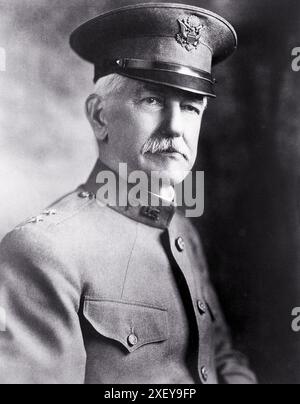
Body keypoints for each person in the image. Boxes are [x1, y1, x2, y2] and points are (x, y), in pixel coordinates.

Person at [0, 3, 257, 384]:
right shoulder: (42, 252)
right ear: (100, 116)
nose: (175, 128)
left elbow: (221, 359)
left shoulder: (181, 231)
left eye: (189, 107)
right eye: (151, 100)